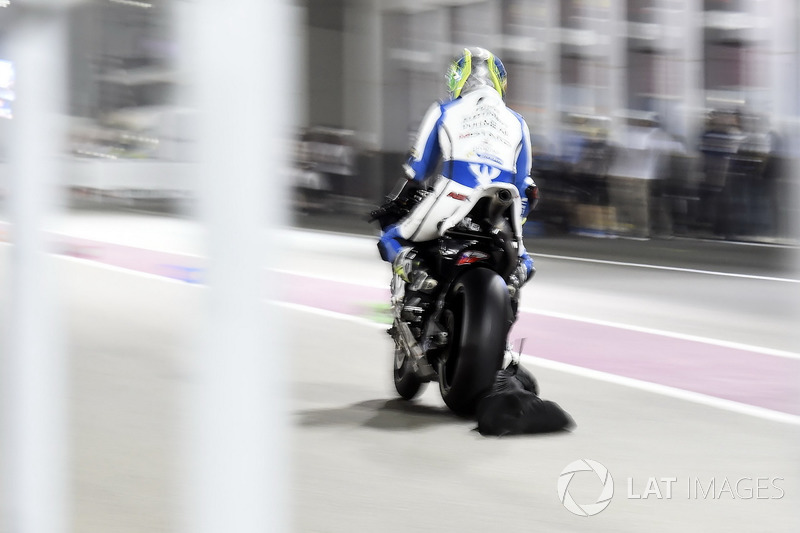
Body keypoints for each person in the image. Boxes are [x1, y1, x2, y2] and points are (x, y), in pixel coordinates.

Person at [375, 47, 538, 308]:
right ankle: (513, 281)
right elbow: (525, 185)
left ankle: (417, 274)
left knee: (390, 238)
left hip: (454, 195)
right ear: (500, 82)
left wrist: (395, 203)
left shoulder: (444, 110)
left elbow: (418, 170)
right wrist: (519, 220)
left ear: (457, 79)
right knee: (524, 261)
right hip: (503, 202)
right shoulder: (518, 122)